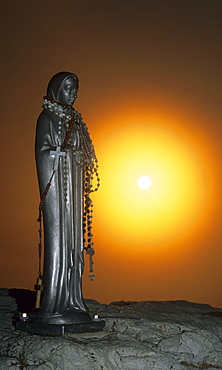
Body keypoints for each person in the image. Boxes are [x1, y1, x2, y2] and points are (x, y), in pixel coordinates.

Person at [32, 72, 99, 324]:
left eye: (76, 89)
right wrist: (58, 154)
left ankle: (72, 299)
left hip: (72, 190)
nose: (74, 94)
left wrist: (77, 156)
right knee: (58, 240)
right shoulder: (47, 118)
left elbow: (82, 152)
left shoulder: (75, 120)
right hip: (57, 194)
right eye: (70, 88)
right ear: (58, 89)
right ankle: (54, 302)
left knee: (74, 242)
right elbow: (42, 153)